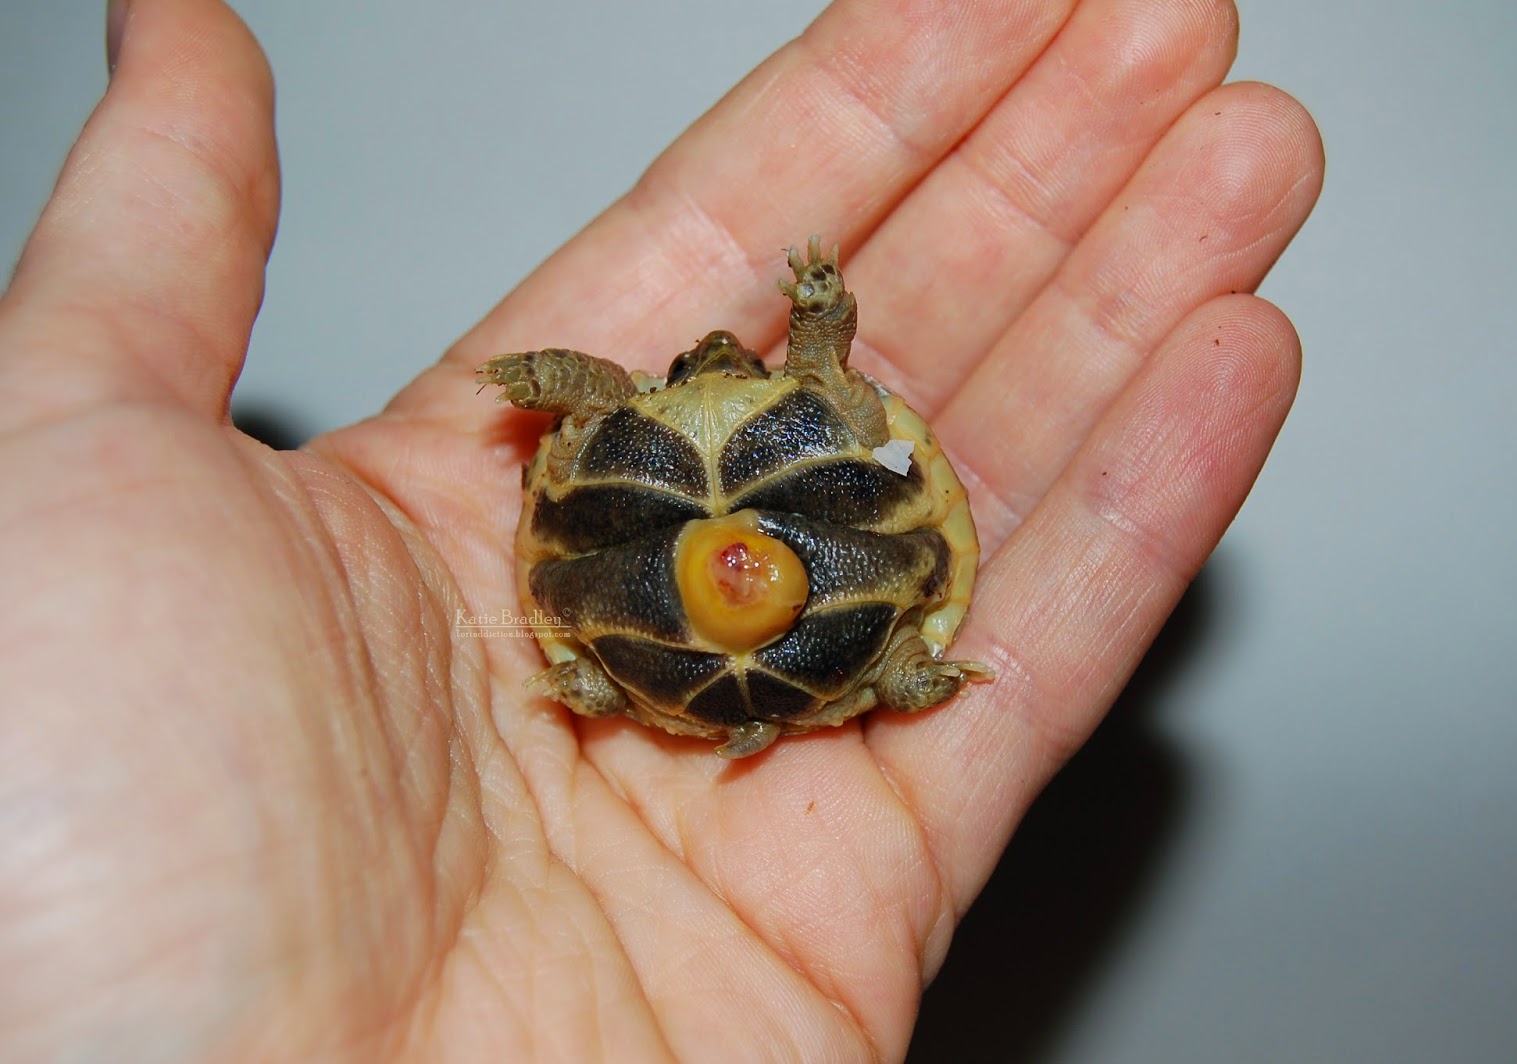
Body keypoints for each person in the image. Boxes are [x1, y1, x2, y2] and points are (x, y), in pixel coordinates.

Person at [0, 0, 1322, 1059]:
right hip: (702, 591)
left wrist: (573, 386)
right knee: (806, 533)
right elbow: (832, 397)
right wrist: (808, 316)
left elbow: (776, 404)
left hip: (724, 587)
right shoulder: (779, 432)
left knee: (782, 564)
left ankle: (866, 664)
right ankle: (865, 666)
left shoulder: (650, 434)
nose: (742, 570)